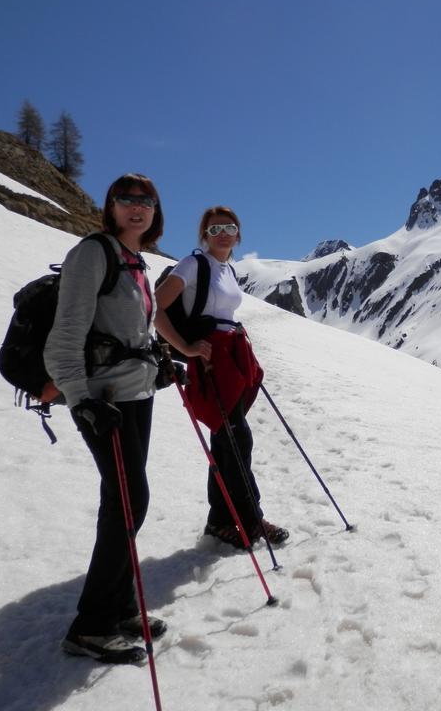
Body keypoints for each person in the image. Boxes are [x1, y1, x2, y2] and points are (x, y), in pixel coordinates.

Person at [44, 174, 168, 665]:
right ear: (110, 206)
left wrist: (159, 366)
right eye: (126, 199)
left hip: (135, 394)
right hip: (104, 399)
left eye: (146, 201)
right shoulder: (93, 253)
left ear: (156, 212)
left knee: (124, 501)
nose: (136, 208)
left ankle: (116, 608)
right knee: (128, 498)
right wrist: (80, 398)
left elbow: (131, 330)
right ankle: (90, 626)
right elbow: (65, 336)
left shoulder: (136, 261)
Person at [154, 205, 289, 551]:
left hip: (229, 355)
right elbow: (155, 308)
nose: (223, 234)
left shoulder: (226, 269)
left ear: (238, 233)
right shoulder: (194, 264)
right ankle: (250, 519)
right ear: (204, 235)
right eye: (215, 230)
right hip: (212, 360)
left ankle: (220, 521)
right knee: (236, 438)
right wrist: (184, 345)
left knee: (226, 438)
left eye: (229, 227)